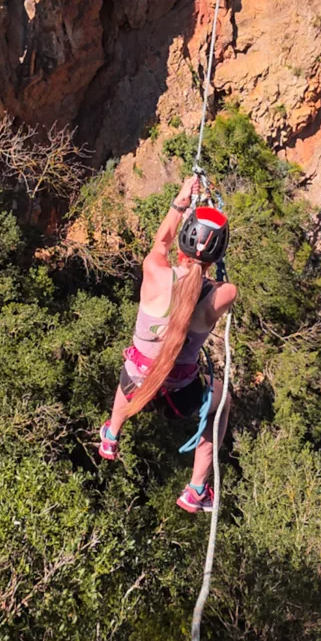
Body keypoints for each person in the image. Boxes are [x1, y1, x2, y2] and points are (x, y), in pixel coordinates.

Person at [98, 175, 237, 513]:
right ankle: (196, 489)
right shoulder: (223, 294)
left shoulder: (154, 270)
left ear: (181, 248)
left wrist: (181, 201)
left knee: (135, 360)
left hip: (137, 381)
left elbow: (161, 243)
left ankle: (112, 433)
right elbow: (216, 281)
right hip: (179, 393)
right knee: (222, 399)